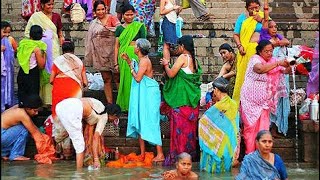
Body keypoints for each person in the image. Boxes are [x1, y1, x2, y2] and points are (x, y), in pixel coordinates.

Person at [240, 40, 290, 154]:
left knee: (263, 130)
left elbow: (285, 71)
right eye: (266, 51)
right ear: (260, 52)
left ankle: (261, 156)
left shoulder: (273, 60)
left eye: (271, 51)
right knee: (250, 130)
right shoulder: (255, 59)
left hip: (264, 104)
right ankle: (250, 156)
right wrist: (278, 63)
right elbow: (260, 69)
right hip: (250, 102)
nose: (269, 53)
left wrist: (291, 65)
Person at [160, 35, 202, 165]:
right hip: (191, 104)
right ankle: (188, 160)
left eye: (178, 46)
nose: (177, 49)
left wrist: (166, 64)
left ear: (182, 46)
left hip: (181, 102)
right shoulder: (195, 60)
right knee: (189, 132)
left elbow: (171, 74)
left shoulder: (183, 57)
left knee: (179, 133)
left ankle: (179, 160)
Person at [121, 38, 164, 162]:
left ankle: (160, 154)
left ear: (138, 49)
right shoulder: (142, 60)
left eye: (135, 45)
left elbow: (138, 78)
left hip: (149, 95)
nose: (133, 47)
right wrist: (129, 61)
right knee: (140, 120)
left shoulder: (144, 61)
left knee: (151, 121)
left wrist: (131, 69)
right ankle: (142, 153)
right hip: (144, 94)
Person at [55, 97, 120, 168]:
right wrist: (96, 159)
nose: (114, 120)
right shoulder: (104, 117)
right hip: (73, 111)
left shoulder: (99, 103)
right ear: (114, 115)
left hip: (61, 105)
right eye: (115, 118)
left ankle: (55, 153)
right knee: (80, 146)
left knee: (60, 137)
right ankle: (79, 174)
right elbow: (95, 138)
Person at [50, 40, 88, 160]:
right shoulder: (79, 62)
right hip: (75, 92)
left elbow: (51, 80)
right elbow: (85, 82)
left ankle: (60, 151)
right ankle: (72, 152)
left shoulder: (57, 61)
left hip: (59, 92)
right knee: (73, 119)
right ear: (73, 49)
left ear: (62, 49)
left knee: (59, 118)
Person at [260, 0, 291, 137]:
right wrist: (265, 6)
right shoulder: (264, 39)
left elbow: (287, 41)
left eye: (276, 27)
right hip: (272, 77)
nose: (274, 29)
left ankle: (280, 129)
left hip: (283, 76)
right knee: (272, 103)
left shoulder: (278, 39)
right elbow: (265, 20)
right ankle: (272, 129)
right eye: (272, 27)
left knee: (282, 103)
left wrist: (276, 42)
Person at [24, 0, 64, 107]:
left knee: (53, 72)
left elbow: (59, 31)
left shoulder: (56, 16)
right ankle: (42, 102)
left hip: (54, 49)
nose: (51, 7)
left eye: (52, 4)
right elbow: (28, 33)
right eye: (48, 5)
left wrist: (61, 37)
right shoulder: (35, 17)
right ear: (42, 5)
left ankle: (52, 101)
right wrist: (41, 38)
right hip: (41, 49)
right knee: (42, 73)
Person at [199, 77, 240, 173]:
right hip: (229, 146)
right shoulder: (234, 104)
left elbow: (203, 122)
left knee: (212, 173)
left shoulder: (217, 107)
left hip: (215, 148)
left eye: (214, 90)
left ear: (217, 90)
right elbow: (235, 127)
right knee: (226, 173)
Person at [85, 0, 121, 105]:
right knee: (106, 79)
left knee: (117, 78)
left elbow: (119, 32)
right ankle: (110, 104)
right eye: (98, 10)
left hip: (114, 53)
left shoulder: (112, 18)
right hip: (100, 55)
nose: (101, 12)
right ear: (95, 11)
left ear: (106, 9)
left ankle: (121, 103)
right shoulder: (93, 23)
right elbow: (89, 40)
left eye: (102, 9)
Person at [114, 3, 147, 111]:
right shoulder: (119, 29)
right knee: (125, 81)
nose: (129, 17)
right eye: (127, 15)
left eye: (131, 14)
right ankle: (126, 105)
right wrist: (116, 63)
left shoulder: (139, 26)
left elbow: (144, 44)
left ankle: (135, 105)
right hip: (123, 57)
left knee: (135, 80)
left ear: (135, 14)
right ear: (122, 15)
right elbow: (116, 46)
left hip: (137, 56)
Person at [232, 0, 264, 106]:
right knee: (244, 79)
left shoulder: (263, 16)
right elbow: (236, 34)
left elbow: (272, 30)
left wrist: (262, 21)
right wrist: (240, 46)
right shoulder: (242, 18)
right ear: (247, 9)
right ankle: (240, 107)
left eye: (256, 7)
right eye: (251, 8)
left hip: (260, 54)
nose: (254, 10)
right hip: (245, 52)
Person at [1, 94, 43, 161]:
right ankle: (15, 155)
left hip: (3, 134)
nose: (37, 113)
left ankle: (3, 153)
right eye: (35, 111)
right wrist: (45, 149)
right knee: (23, 129)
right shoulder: (21, 114)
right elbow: (34, 132)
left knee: (22, 131)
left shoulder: (19, 107)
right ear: (28, 108)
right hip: (2, 135)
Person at [17, 25, 47, 106]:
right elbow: (41, 65)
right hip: (32, 74)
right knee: (32, 98)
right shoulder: (37, 48)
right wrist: (44, 54)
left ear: (30, 35)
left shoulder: (23, 44)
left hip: (22, 72)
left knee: (22, 97)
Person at [1, 21, 15, 112]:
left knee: (7, 85)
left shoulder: (10, 39)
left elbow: (16, 49)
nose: (6, 34)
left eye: (8, 32)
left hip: (8, 68)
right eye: (4, 32)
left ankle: (7, 103)